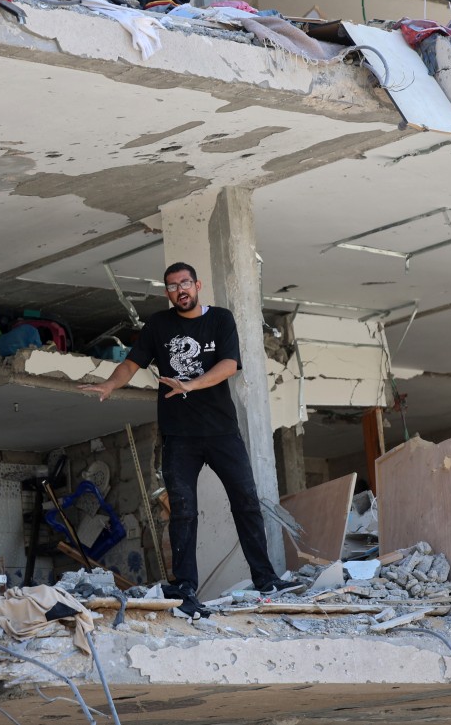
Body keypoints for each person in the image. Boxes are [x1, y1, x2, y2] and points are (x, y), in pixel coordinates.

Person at [80, 262, 298, 616]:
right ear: (167, 292)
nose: (180, 290)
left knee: (245, 501)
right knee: (182, 511)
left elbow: (229, 365)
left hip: (222, 432)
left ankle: (265, 579)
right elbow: (132, 364)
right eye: (172, 286)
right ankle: (184, 586)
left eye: (185, 283)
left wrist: (191, 385)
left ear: (197, 286)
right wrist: (109, 383)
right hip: (179, 436)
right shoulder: (159, 325)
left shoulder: (221, 319)